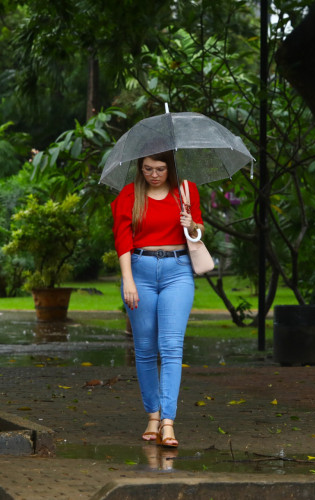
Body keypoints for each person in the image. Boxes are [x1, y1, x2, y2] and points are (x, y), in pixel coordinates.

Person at [110, 150, 204, 448]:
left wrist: (191, 224)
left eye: (160, 169)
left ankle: (168, 422)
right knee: (146, 348)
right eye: (148, 168)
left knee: (171, 346)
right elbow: (122, 238)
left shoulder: (185, 191)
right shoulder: (129, 194)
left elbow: (199, 232)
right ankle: (152, 414)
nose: (153, 174)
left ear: (170, 168)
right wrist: (128, 280)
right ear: (140, 168)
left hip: (178, 271)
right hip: (140, 271)